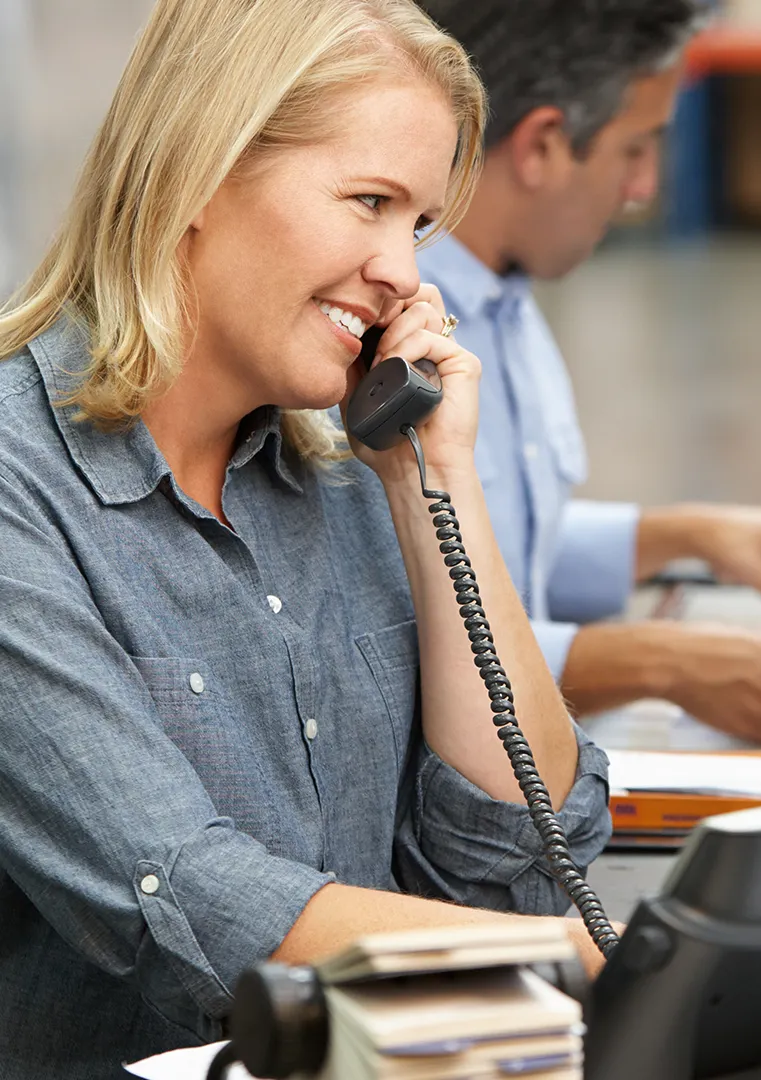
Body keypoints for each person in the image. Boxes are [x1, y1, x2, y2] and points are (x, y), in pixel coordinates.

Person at [0, 2, 613, 1076]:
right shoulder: (20, 487)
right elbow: (187, 897)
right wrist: (611, 962)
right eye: (369, 202)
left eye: (416, 225)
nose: (405, 275)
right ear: (200, 170)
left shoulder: (340, 474)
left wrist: (438, 487)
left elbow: (515, 860)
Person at [414, 0, 761, 746]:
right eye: (636, 148)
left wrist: (684, 536)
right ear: (544, 144)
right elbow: (401, 647)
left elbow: (497, 549)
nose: (644, 186)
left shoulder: (504, 303)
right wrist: (658, 662)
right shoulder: (398, 338)